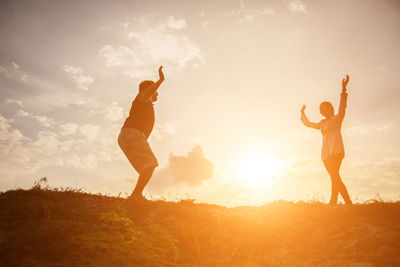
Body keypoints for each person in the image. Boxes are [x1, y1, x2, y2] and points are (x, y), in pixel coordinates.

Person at [300, 75, 352, 205]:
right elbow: (308, 124)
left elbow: (342, 106)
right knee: (334, 177)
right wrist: (302, 113)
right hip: (325, 154)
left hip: (336, 151)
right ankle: (344, 202)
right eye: (320, 109)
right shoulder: (322, 124)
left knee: (335, 176)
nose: (321, 110)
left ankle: (336, 201)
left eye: (323, 107)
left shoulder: (337, 118)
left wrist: (343, 90)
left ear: (329, 108)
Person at [118, 66, 165, 200]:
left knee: (147, 167)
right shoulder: (142, 98)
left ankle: (137, 195)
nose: (157, 93)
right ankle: (136, 195)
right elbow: (147, 92)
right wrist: (160, 80)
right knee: (150, 164)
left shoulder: (145, 104)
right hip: (132, 134)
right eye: (155, 91)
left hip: (132, 135)